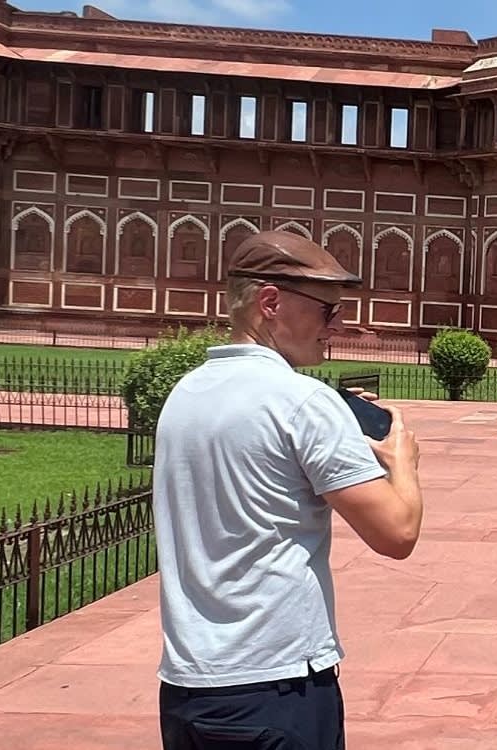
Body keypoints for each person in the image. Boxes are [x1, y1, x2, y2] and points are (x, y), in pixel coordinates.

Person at [152, 230, 426, 750]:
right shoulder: (302, 402)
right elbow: (397, 533)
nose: (337, 326)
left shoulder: (185, 392)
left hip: (189, 686)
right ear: (271, 303)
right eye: (327, 311)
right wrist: (402, 463)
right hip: (275, 685)